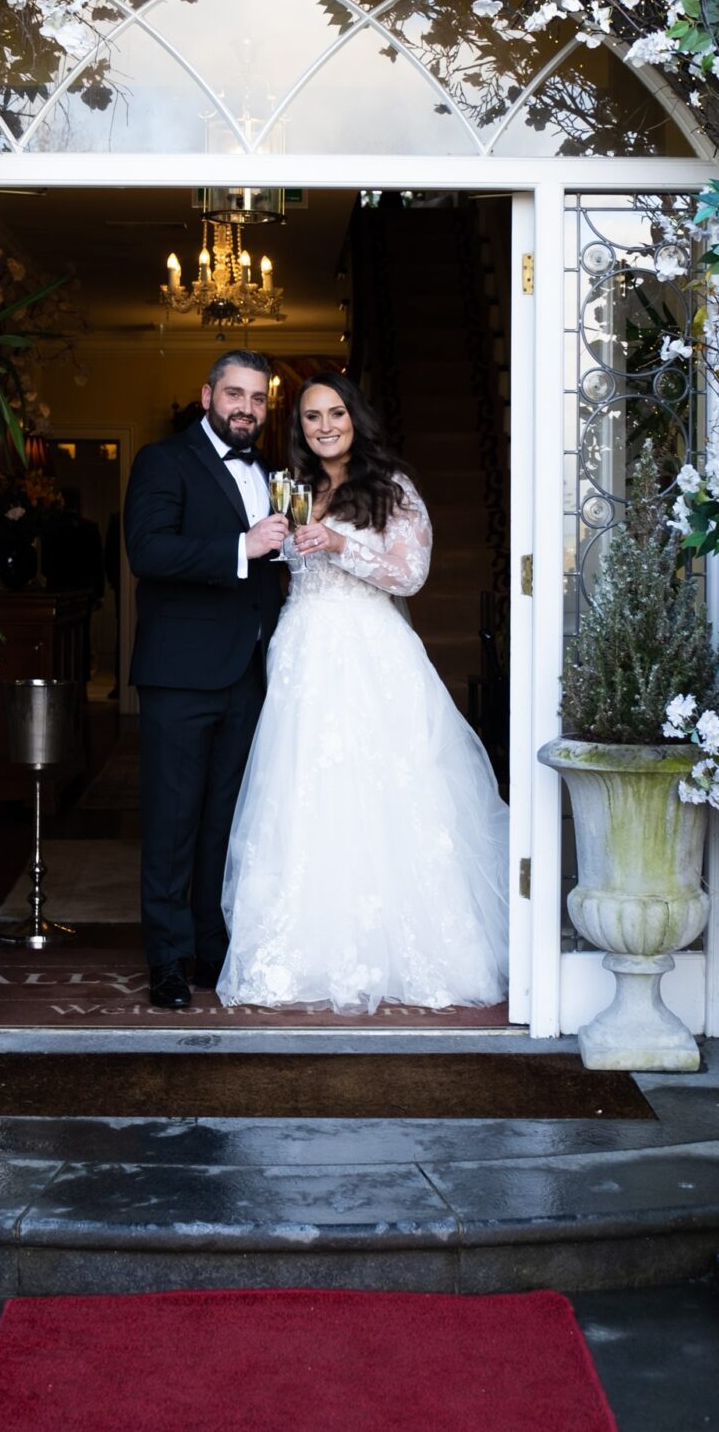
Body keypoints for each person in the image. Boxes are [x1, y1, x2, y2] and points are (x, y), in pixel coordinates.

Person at [218, 371, 510, 1014]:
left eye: (335, 414)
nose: (324, 426)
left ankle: (403, 950)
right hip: (301, 651)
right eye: (311, 417)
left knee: (385, 789)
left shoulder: (390, 488)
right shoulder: (291, 488)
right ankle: (305, 952)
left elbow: (411, 574)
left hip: (369, 650)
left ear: (357, 420)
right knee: (304, 794)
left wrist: (342, 543)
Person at [124, 350, 288, 1011]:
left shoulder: (273, 473)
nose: (246, 407)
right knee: (171, 821)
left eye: (257, 398)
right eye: (234, 394)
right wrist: (239, 548)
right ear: (206, 395)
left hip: (250, 670)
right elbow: (148, 551)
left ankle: (210, 951)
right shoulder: (164, 462)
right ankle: (166, 959)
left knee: (226, 819)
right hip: (180, 673)